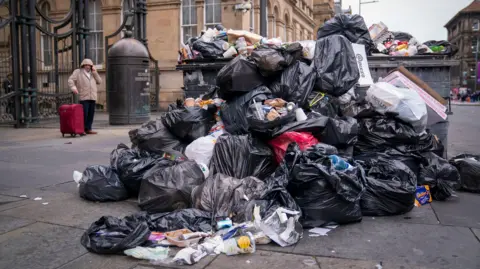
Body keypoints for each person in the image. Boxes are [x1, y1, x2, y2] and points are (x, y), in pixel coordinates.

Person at [68, 58, 102, 135]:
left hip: (92, 96)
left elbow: (99, 81)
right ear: (83, 65)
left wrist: (95, 72)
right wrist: (73, 88)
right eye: (86, 65)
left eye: (89, 65)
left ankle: (88, 128)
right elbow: (70, 80)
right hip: (84, 96)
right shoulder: (78, 72)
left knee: (91, 114)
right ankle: (81, 129)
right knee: (84, 114)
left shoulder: (93, 73)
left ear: (91, 66)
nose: (87, 66)